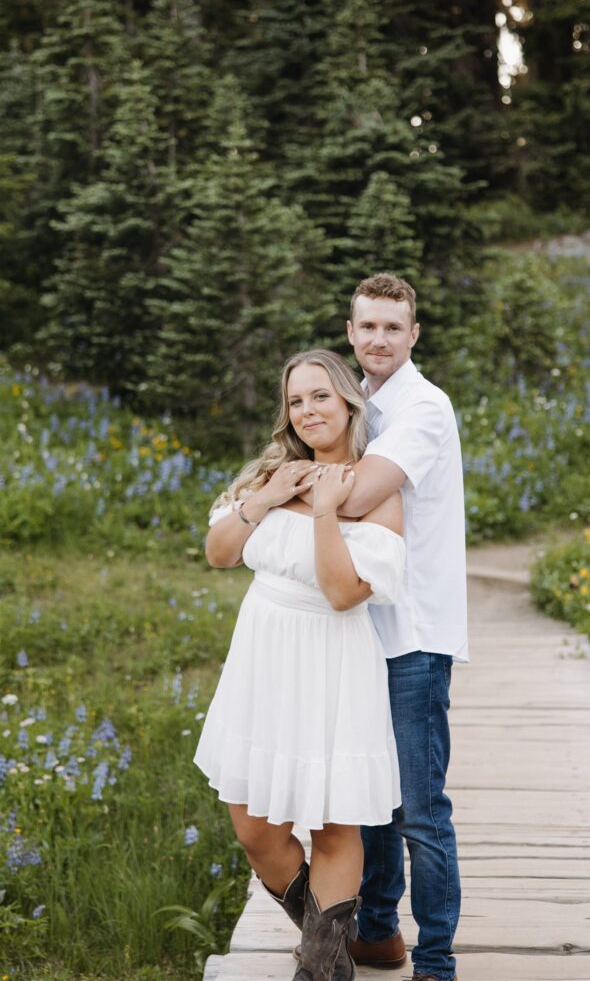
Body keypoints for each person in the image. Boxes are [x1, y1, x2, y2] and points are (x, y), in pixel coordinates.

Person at [194, 349, 406, 981]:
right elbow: (218, 552)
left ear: (348, 401)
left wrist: (321, 512)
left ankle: (321, 971)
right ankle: (334, 951)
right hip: (264, 659)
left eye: (320, 396)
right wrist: (270, 498)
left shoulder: (375, 490)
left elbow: (344, 593)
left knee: (337, 826)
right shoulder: (272, 473)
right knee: (255, 827)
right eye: (296, 400)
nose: (308, 410)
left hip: (333, 659)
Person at [325, 273, 468, 981]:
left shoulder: (422, 408)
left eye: (392, 327)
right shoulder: (355, 402)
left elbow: (355, 496)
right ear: (350, 333)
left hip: (413, 635)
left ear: (413, 335)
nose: (378, 339)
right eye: (367, 327)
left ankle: (435, 963)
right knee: (370, 798)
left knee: (418, 809)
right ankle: (377, 932)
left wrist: (278, 494)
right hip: (359, 629)